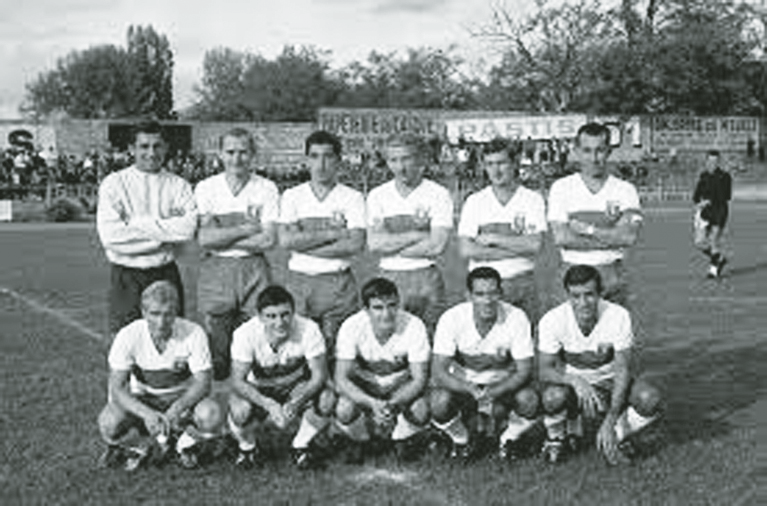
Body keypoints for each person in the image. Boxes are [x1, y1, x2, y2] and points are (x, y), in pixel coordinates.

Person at [538, 265, 663, 465]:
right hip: (572, 388)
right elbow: (544, 370)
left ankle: (617, 435)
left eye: (589, 295)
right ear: (567, 295)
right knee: (552, 397)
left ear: (600, 293)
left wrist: (610, 421)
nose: (583, 303)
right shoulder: (552, 320)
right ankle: (556, 438)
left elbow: (622, 370)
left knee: (650, 399)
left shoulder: (618, 315)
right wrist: (573, 380)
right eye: (575, 296)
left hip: (610, 381)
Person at [97, 281, 223, 471]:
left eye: (168, 314)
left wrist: (177, 408)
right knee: (109, 423)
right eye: (154, 314)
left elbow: (203, 383)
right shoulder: (128, 335)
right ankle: (139, 446)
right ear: (143, 312)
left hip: (183, 401)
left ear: (176, 311)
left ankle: (185, 444)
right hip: (143, 400)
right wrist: (146, 414)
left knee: (211, 414)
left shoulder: (194, 333)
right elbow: (117, 388)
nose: (161, 322)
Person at [96, 120, 197, 338]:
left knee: (171, 340)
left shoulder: (179, 185)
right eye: (144, 146)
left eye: (157, 146)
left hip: (165, 272)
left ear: (166, 148)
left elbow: (187, 229)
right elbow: (111, 237)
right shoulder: (114, 184)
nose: (151, 153)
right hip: (126, 276)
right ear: (131, 149)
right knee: (125, 343)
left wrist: (135, 224)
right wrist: (165, 231)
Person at [194, 128, 279, 380]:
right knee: (217, 355)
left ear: (252, 155)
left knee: (253, 348)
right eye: (230, 152)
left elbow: (269, 239)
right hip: (216, 272)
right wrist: (246, 228)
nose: (236, 158)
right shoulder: (206, 188)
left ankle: (246, 413)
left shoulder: (266, 188)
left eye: (243, 152)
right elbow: (205, 239)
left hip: (254, 270)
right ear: (220, 154)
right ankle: (217, 414)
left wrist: (223, 233)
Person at [430, 267, 539, 462]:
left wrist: (495, 391)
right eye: (480, 294)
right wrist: (469, 388)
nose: (487, 300)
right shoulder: (451, 318)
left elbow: (524, 371)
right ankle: (460, 439)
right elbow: (439, 371)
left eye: (492, 293)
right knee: (438, 402)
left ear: (501, 293)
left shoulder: (517, 317)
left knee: (529, 399)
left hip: (501, 387)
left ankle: (509, 439)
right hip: (464, 388)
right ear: (468, 296)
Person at [278, 130, 366, 355]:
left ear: (338, 160)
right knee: (300, 349)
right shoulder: (292, 196)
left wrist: (304, 244)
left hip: (338, 283)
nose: (321, 164)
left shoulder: (352, 197)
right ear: (306, 160)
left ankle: (335, 388)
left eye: (328, 156)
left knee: (338, 348)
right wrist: (333, 234)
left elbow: (355, 244)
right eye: (315, 156)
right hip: (299, 282)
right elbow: (286, 240)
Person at [227, 285, 334, 470]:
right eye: (271, 316)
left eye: (285, 314)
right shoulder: (244, 334)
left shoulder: (309, 328)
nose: (279, 322)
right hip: (258, 388)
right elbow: (237, 380)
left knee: (327, 398)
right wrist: (267, 404)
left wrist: (297, 402)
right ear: (260, 317)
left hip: (295, 387)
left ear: (293, 312)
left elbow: (319, 375)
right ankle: (247, 449)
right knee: (240, 410)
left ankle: (300, 446)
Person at [334, 277, 431, 464]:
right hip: (366, 386)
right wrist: (371, 403)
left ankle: (402, 438)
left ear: (399, 303)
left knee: (421, 410)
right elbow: (341, 378)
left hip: (399, 386)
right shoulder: (351, 326)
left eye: (392, 305)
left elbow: (419, 379)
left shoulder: (414, 325)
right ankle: (360, 439)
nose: (387, 314)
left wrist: (393, 404)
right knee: (344, 409)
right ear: (366, 310)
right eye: (378, 307)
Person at [547, 122, 643, 309]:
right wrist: (611, 237)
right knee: (571, 336)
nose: (594, 158)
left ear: (609, 151)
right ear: (577, 151)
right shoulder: (561, 188)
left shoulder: (625, 190)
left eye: (599, 150)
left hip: (612, 274)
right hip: (572, 271)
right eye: (587, 150)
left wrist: (587, 230)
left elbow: (628, 237)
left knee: (614, 335)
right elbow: (562, 238)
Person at [366, 132, 454, 335]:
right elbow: (375, 245)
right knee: (394, 341)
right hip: (388, 277)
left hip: (427, 278)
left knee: (431, 339)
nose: (400, 167)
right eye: (393, 160)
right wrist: (417, 236)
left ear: (420, 159)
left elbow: (437, 245)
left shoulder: (438, 194)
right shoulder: (377, 196)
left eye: (406, 158)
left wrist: (393, 246)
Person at [457, 137, 546, 322]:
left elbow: (535, 245)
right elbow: (466, 250)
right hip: (483, 285)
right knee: (483, 345)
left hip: (522, 282)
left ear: (514, 163)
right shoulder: (474, 201)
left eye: (501, 163)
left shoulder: (532, 199)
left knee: (523, 345)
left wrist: (493, 238)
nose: (496, 170)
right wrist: (517, 248)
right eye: (490, 164)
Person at [692, 150, 732, 279]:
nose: (712, 163)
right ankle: (719, 258)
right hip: (705, 212)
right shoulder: (703, 175)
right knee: (699, 243)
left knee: (713, 240)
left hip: (720, 211)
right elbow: (696, 195)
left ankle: (713, 270)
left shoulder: (725, 176)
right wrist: (698, 202)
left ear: (719, 162)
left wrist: (709, 200)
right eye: (710, 161)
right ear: (706, 161)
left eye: (715, 161)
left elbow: (727, 196)